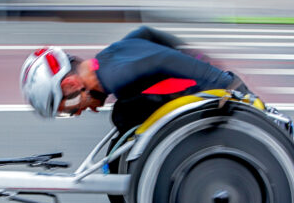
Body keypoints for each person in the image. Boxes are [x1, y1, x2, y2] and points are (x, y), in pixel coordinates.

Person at [20, 26, 254, 134]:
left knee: (123, 116)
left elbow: (163, 60)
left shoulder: (117, 81)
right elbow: (147, 34)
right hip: (225, 88)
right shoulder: (110, 56)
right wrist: (203, 61)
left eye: (69, 109)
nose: (79, 112)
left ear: (70, 84)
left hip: (228, 99)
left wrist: (219, 81)